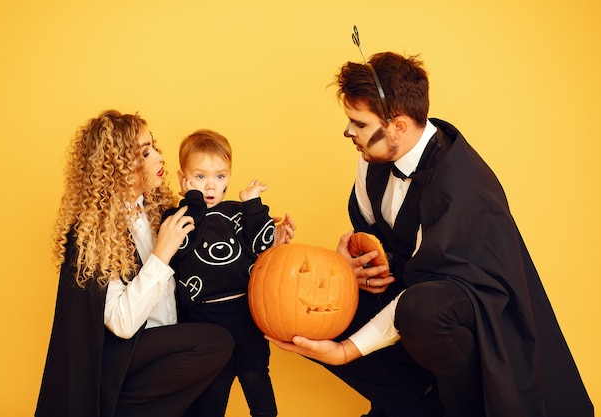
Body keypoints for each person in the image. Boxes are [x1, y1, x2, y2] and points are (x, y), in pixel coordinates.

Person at [267, 51, 594, 417]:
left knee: (422, 309)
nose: (348, 132)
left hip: (477, 315)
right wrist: (349, 269)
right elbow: (378, 239)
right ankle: (412, 405)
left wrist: (348, 350)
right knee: (301, 309)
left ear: (399, 126)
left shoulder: (460, 185)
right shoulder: (372, 158)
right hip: (410, 294)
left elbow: (434, 282)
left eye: (357, 123)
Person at [35, 110, 235, 417]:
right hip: (121, 358)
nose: (159, 157)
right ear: (121, 168)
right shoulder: (92, 232)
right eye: (145, 151)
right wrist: (161, 255)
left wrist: (266, 237)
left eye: (153, 146)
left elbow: (213, 250)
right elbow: (121, 324)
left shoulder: (158, 211)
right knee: (215, 342)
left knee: (222, 346)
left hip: (162, 348)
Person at [162, 129, 295, 417]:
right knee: (213, 389)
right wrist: (193, 199)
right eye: (200, 177)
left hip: (246, 314)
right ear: (182, 179)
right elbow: (181, 246)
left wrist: (253, 205)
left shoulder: (237, 212)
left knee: (256, 378)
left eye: (220, 176)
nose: (211, 186)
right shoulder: (175, 219)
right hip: (204, 320)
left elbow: (261, 244)